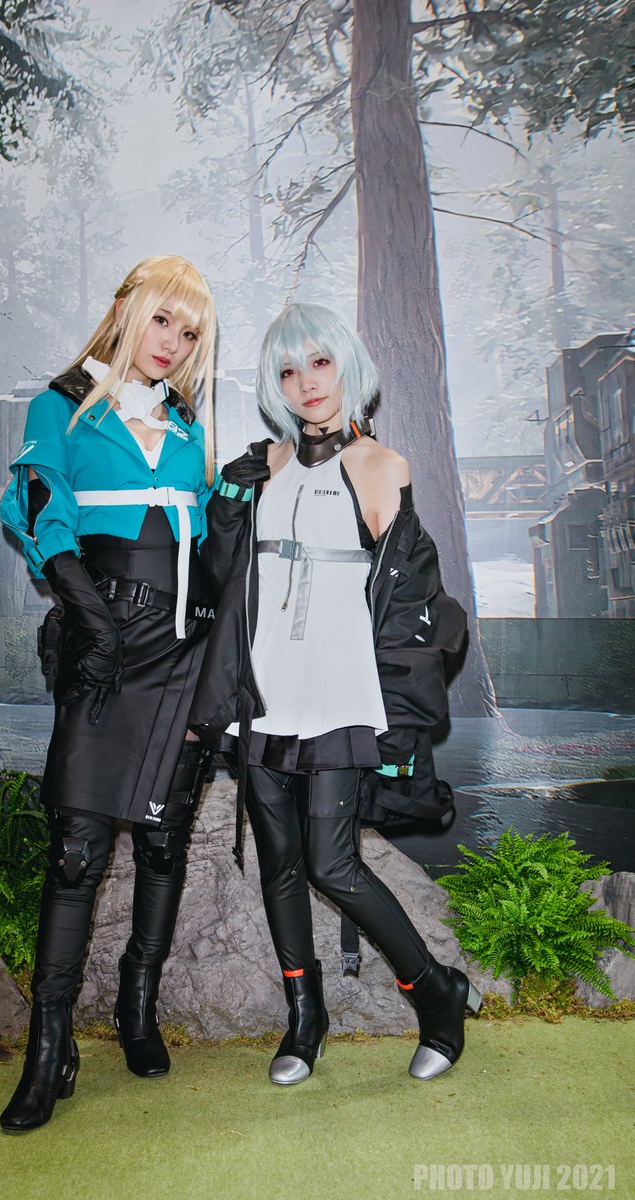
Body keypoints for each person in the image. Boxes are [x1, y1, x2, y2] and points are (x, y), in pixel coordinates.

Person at [190, 302, 478, 1087]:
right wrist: (226, 512)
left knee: (332, 863)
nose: (306, 382)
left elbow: (410, 607)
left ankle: (435, 992)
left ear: (347, 365)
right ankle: (304, 1017)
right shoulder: (262, 467)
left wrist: (403, 720)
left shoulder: (382, 467)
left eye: (318, 362)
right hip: (264, 692)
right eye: (288, 370)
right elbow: (221, 584)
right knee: (279, 862)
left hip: (341, 693)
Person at [0, 255, 217, 1132]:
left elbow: (210, 528)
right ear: (126, 309)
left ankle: (137, 1004)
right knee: (76, 850)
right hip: (104, 638)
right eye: (162, 319)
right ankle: (48, 1046)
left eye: (189, 332)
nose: (173, 343)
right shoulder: (61, 404)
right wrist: (90, 618)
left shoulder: (189, 423)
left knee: (164, 839)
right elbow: (35, 506)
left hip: (184, 650)